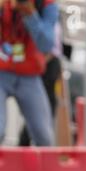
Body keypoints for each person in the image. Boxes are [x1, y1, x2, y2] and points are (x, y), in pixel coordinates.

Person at [0, 0, 57, 146]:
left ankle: (43, 168)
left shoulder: (45, 4)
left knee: (44, 137)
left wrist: (30, 15)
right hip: (2, 72)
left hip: (30, 76)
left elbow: (46, 45)